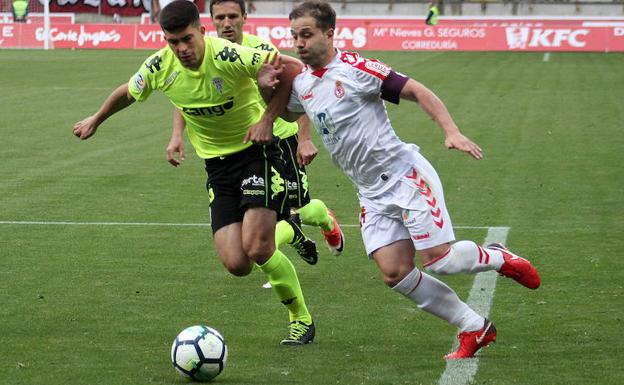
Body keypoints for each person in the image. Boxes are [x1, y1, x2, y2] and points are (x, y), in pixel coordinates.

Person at [260, 0, 541, 359]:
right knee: (395, 273)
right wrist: (267, 88)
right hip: (371, 192)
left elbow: (416, 90)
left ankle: (498, 258)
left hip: (405, 176)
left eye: (306, 35)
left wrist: (450, 131)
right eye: (293, 36)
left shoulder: (356, 69)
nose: (298, 43)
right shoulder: (302, 82)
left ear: (329, 34)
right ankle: (475, 327)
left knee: (441, 261)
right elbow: (287, 109)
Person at [72, 0, 316, 345]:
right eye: (173, 42)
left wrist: (266, 119)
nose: (182, 49)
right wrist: (96, 118)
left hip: (256, 154)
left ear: (202, 30)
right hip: (217, 168)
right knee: (237, 263)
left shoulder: (230, 55)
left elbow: (292, 70)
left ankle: (300, 318)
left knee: (258, 248)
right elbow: (129, 91)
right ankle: (288, 228)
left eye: (187, 39)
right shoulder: (160, 65)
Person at [166, 0, 345, 267]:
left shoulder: (261, 49)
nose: (226, 23)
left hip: (280, 138)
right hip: (242, 147)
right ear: (210, 22)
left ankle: (323, 221)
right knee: (268, 221)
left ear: (244, 17)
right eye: (220, 17)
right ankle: (285, 246)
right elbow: (187, 98)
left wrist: (304, 139)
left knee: (299, 208)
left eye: (232, 16)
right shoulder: (204, 53)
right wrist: (176, 134)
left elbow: (298, 87)